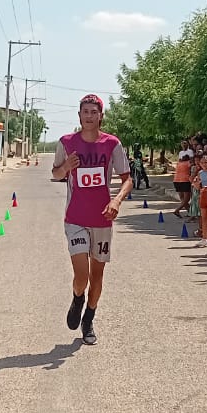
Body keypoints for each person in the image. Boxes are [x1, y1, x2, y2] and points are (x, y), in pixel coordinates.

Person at [50, 94, 133, 346]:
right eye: (84, 111)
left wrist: (116, 201)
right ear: (79, 116)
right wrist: (65, 167)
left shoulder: (112, 144)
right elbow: (55, 174)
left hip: (102, 220)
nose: (89, 116)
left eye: (93, 112)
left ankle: (89, 318)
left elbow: (127, 179)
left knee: (97, 276)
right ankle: (77, 297)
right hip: (75, 218)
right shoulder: (66, 142)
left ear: (100, 116)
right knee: (82, 275)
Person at [172, 147, 193, 219]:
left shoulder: (178, 163)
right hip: (185, 180)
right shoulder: (188, 163)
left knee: (182, 198)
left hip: (176, 180)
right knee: (186, 199)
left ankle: (190, 212)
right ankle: (177, 210)